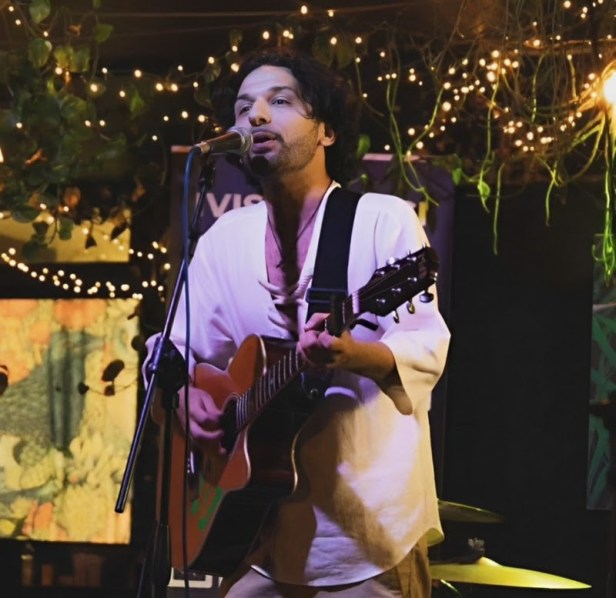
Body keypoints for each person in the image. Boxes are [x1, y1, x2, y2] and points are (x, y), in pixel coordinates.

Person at [147, 47, 450, 597]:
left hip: (367, 536)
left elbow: (425, 347)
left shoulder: (382, 220)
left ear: (326, 131)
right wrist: (185, 395)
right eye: (244, 108)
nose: (256, 115)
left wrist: (351, 354)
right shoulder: (223, 239)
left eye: (280, 101)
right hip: (256, 534)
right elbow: (175, 351)